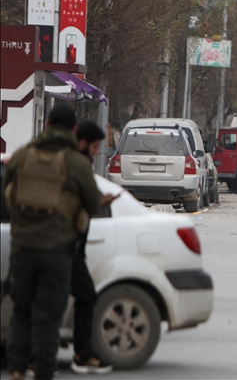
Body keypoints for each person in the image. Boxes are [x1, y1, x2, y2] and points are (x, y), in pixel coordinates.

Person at [4, 106, 105, 380]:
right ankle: (43, 371)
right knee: (47, 316)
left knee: (21, 310)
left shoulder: (23, 155)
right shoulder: (76, 163)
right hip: (56, 252)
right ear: (74, 131)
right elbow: (93, 202)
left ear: (47, 124)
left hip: (23, 249)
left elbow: (8, 191)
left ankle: (15, 368)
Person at [70, 121, 115, 374]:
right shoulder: (76, 166)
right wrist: (99, 201)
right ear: (84, 143)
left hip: (70, 245)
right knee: (83, 296)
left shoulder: (70, 162)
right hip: (66, 245)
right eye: (96, 146)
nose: (97, 152)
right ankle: (82, 353)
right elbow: (86, 200)